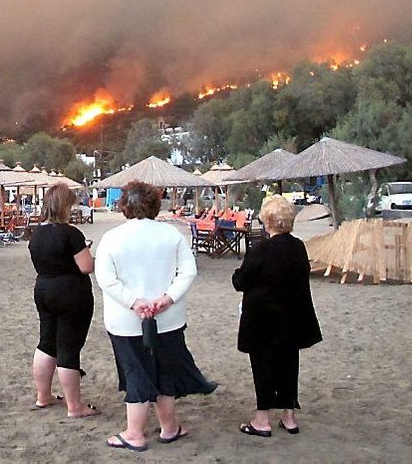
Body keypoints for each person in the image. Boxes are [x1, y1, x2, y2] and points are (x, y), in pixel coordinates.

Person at [95, 181, 216, 452]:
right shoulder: (171, 235)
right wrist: (167, 298)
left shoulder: (112, 238)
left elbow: (106, 279)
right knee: (165, 373)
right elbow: (188, 271)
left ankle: (135, 433)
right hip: (168, 317)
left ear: (124, 204)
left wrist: (134, 302)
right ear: (154, 204)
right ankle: (169, 427)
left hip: (126, 320)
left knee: (136, 371)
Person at [233, 195, 322, 438]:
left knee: (263, 367)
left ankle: (262, 419)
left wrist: (237, 274)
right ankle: (289, 416)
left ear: (267, 221)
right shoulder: (298, 247)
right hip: (293, 318)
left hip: (263, 320)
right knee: (289, 365)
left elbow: (241, 282)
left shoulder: (261, 249)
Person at [28, 182, 98, 419]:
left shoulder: (36, 233)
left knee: (46, 343)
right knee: (68, 348)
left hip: (43, 289)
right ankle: (74, 407)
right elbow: (86, 267)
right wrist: (89, 252)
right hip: (70, 293)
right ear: (64, 206)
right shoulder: (71, 233)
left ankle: (42, 396)